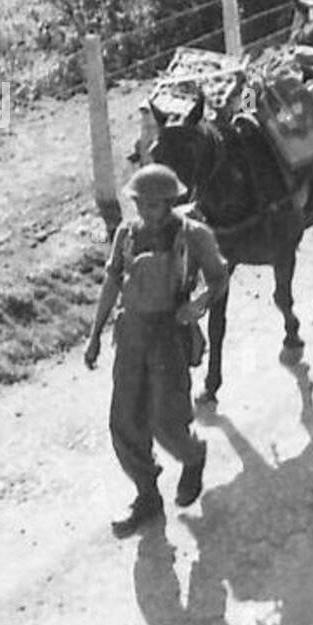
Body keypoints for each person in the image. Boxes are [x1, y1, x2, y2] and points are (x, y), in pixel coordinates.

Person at [85, 163, 230, 538]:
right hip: (132, 332)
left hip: (169, 333)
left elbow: (219, 277)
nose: (147, 212)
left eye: (155, 205)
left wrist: (198, 304)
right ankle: (147, 495)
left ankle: (193, 456)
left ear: (170, 203)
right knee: (124, 420)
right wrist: (95, 334)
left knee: (165, 419)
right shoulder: (126, 235)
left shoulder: (193, 235)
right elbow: (113, 282)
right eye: (141, 204)